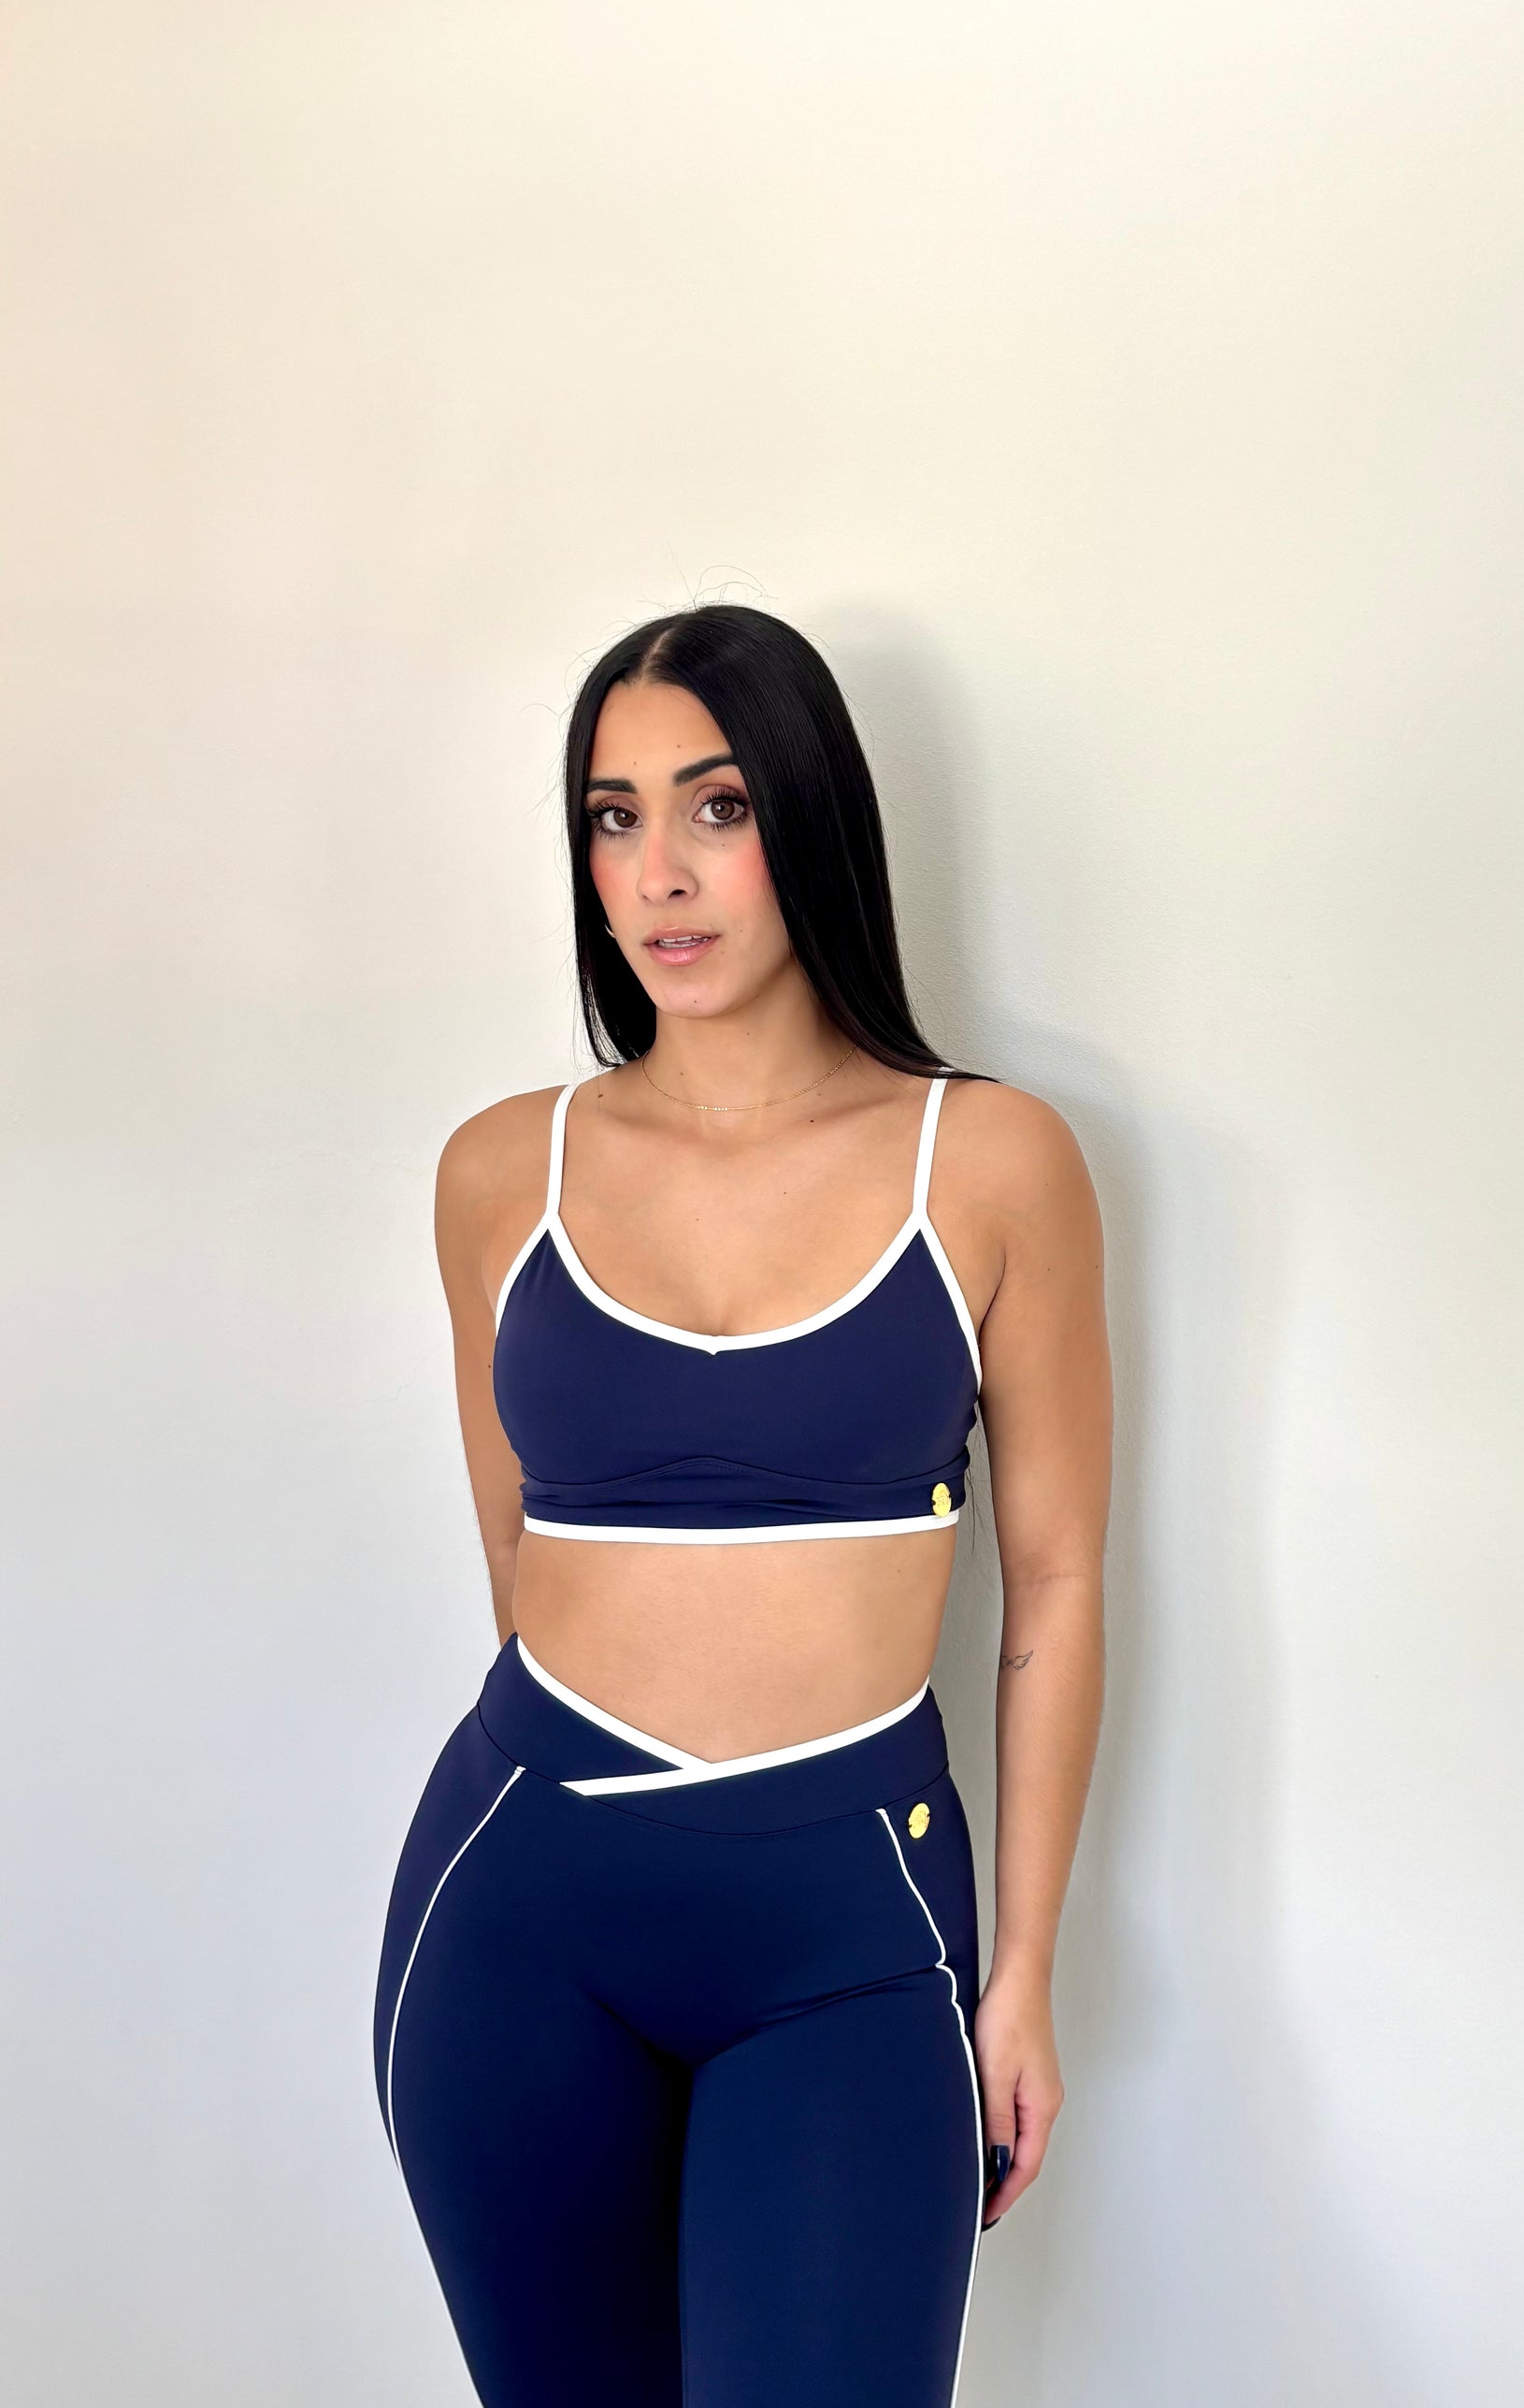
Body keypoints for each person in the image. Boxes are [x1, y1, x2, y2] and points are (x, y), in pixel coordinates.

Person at [372, 605, 1113, 2408]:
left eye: (716, 807)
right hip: (520, 1915)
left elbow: (1056, 1583)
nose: (660, 873)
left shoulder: (988, 1160)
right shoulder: (501, 1172)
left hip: (847, 1929)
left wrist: (1022, 1967)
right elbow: (517, 1555)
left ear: (809, 817)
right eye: (612, 818)